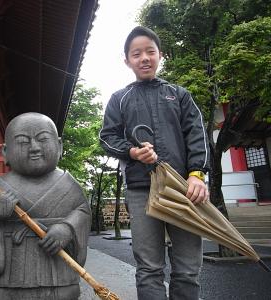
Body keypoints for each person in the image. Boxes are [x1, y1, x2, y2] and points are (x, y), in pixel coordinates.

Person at [99, 26, 210, 300]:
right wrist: (133, 152)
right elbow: (107, 137)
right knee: (149, 267)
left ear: (161, 55)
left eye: (150, 51)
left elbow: (197, 134)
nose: (144, 58)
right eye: (137, 54)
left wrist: (197, 174)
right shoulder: (118, 99)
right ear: (127, 61)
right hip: (140, 189)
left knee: (188, 267)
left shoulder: (180, 95)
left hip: (182, 188)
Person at [0, 112, 91, 300]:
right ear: (5, 152)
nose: (34, 148)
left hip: (56, 273)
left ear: (59, 146)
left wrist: (67, 229)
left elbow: (82, 212)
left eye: (42, 139)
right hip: (8, 277)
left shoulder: (68, 184)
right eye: (23, 141)